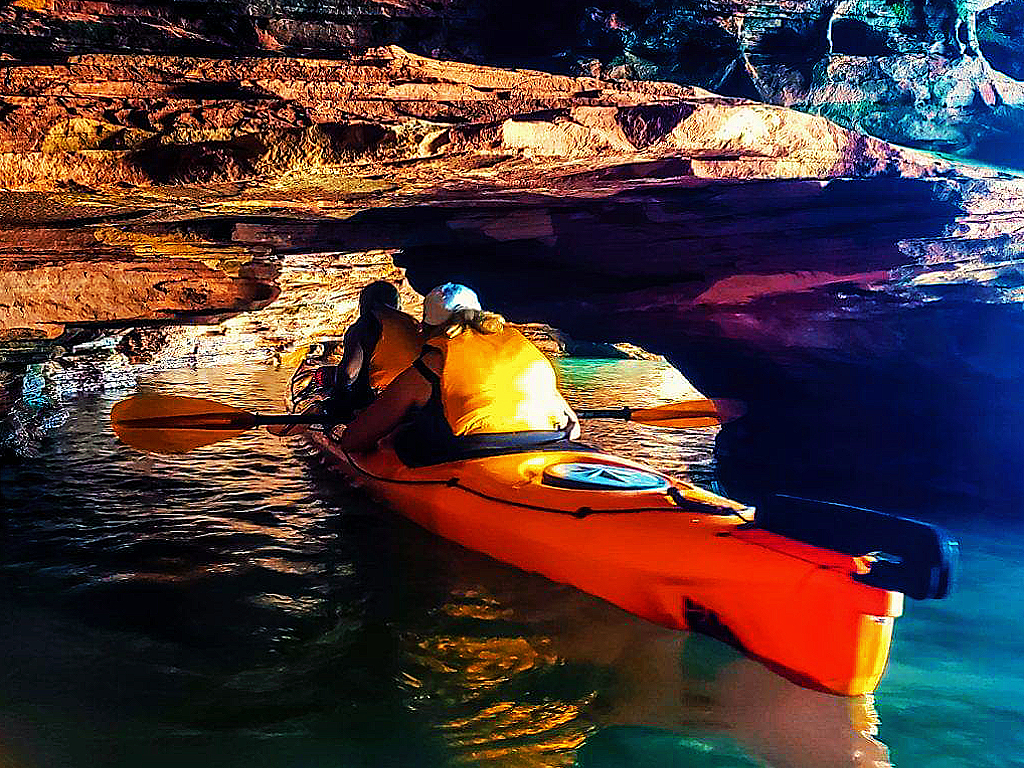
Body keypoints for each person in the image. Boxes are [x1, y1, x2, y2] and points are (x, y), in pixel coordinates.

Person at [337, 283, 580, 464]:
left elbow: (352, 441)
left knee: (396, 437)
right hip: (546, 443)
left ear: (429, 326)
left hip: (472, 452)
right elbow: (574, 427)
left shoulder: (434, 363)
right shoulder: (523, 347)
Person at [298, 280, 421, 420]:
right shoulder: (412, 322)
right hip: (415, 397)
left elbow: (348, 374)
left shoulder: (365, 324)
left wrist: (336, 398)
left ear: (366, 302)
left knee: (341, 391)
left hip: (378, 398)